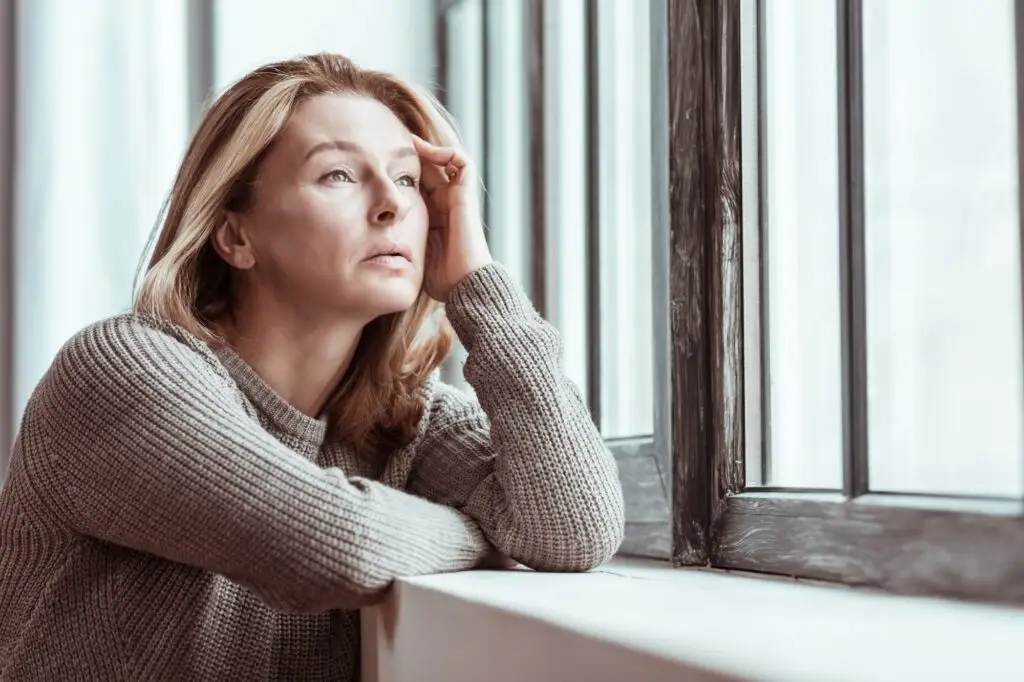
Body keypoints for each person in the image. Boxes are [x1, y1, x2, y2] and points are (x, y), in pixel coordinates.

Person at [0, 53, 624, 681]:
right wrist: (484, 535)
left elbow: (575, 529)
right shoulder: (119, 373)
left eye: (408, 180)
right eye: (338, 175)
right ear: (235, 235)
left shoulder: (409, 423)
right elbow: (338, 546)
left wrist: (477, 285)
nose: (392, 207)